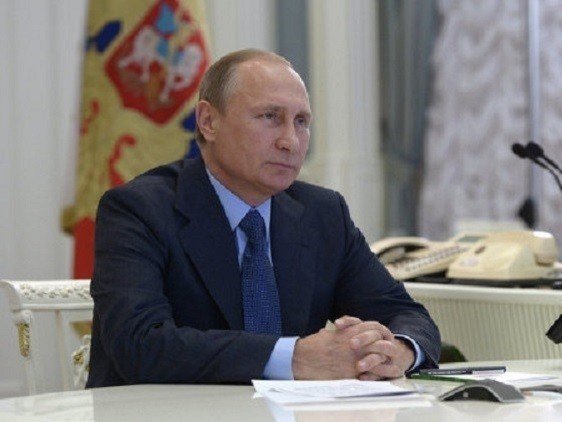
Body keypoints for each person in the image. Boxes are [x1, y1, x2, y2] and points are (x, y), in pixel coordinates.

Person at [86, 49, 441, 387]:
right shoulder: (139, 209)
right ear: (208, 121)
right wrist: (295, 358)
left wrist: (397, 350)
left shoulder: (323, 213)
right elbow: (139, 344)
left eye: (301, 122)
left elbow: (406, 315)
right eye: (270, 117)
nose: (291, 141)